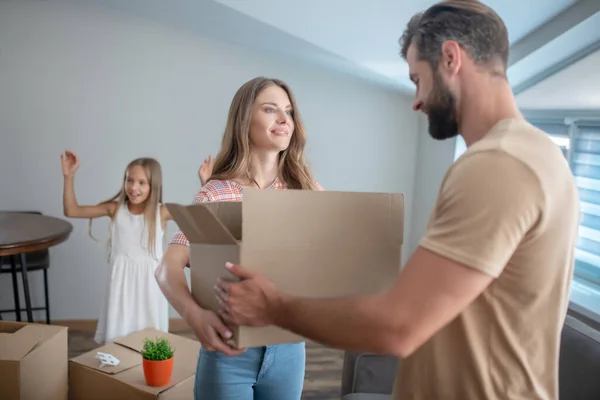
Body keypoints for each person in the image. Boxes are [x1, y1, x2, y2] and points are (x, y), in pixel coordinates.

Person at [215, 1, 580, 399]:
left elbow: (398, 326)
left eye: (417, 79)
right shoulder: (541, 155)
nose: (416, 100)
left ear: (451, 58)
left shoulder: (497, 164)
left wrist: (273, 307)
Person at [154, 76, 323, 400]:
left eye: (288, 111)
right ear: (245, 120)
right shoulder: (216, 193)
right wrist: (194, 314)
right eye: (271, 109)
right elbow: (167, 267)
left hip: (290, 349)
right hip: (230, 351)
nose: (284, 119)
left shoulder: (308, 190)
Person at [61, 151, 213, 344]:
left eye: (141, 182)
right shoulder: (114, 209)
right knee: (118, 339)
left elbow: (201, 218)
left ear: (153, 186)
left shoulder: (162, 212)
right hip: (120, 287)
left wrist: (206, 184)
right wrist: (69, 176)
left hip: (150, 288)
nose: (133, 188)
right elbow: (72, 210)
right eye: (129, 180)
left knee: (150, 341)